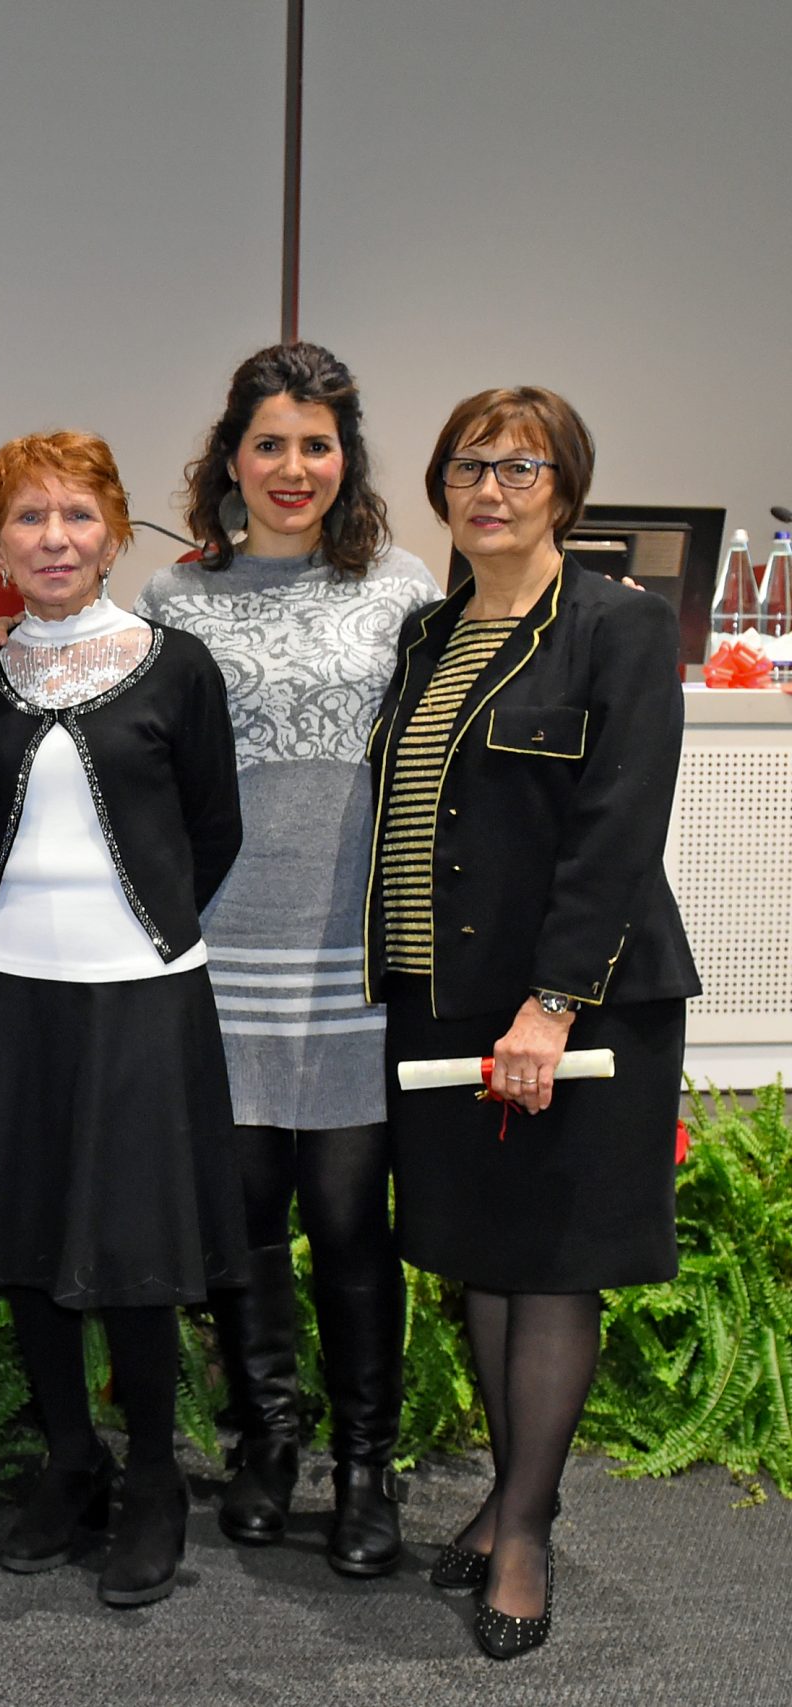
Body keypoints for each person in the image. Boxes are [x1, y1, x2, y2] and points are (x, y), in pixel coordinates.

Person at [365, 387, 697, 1660]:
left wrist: (550, 1005)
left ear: (566, 487)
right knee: (482, 1258)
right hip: (440, 1000)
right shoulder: (428, 633)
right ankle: (507, 1497)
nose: (488, 489)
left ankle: (525, 1535)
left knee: (551, 1264)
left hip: (573, 1009)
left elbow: (619, 824)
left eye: (520, 467)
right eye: (467, 466)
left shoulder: (616, 624)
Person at [0, 430, 245, 1610]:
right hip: (0, 985)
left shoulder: (177, 666)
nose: (54, 539)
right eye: (28, 519)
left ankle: (153, 1480)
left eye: (78, 516)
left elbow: (213, 829)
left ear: (113, 534)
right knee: (26, 1240)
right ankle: (69, 1461)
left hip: (139, 993)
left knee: (135, 1253)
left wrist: (138, 929)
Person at [139, 343, 439, 1574]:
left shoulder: (404, 589)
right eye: (269, 443)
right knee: (246, 1214)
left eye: (316, 445)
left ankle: (367, 1466)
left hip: (353, 954)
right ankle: (266, 1438)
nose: (293, 467)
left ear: (344, 459)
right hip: (223, 950)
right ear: (231, 457)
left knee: (351, 1220)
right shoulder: (173, 599)